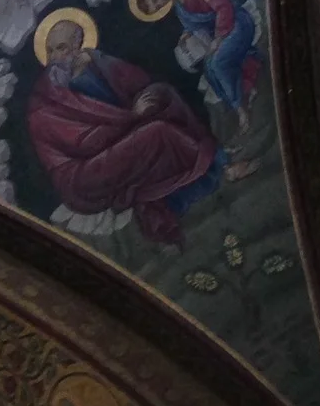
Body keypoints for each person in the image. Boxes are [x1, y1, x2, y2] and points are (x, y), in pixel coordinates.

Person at [24, 16, 221, 246]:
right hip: (82, 174)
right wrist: (132, 116)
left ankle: (201, 168)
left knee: (163, 94)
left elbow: (136, 83)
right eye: (50, 51)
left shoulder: (96, 62)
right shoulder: (42, 104)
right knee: (158, 132)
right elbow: (85, 142)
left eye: (61, 48)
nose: (55, 58)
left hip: (120, 136)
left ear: (77, 45)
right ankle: (215, 167)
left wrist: (146, 100)